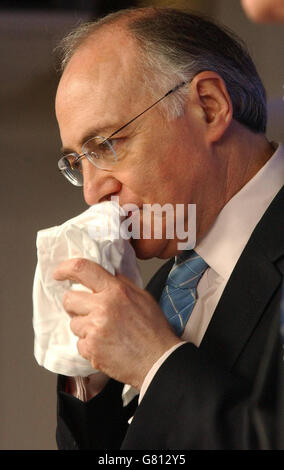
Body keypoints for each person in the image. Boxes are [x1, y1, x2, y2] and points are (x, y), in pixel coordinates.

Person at [52, 7, 284, 449]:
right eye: (77, 163)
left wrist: (154, 362)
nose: (92, 192)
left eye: (105, 144)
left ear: (209, 107)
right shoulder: (157, 294)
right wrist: (89, 372)